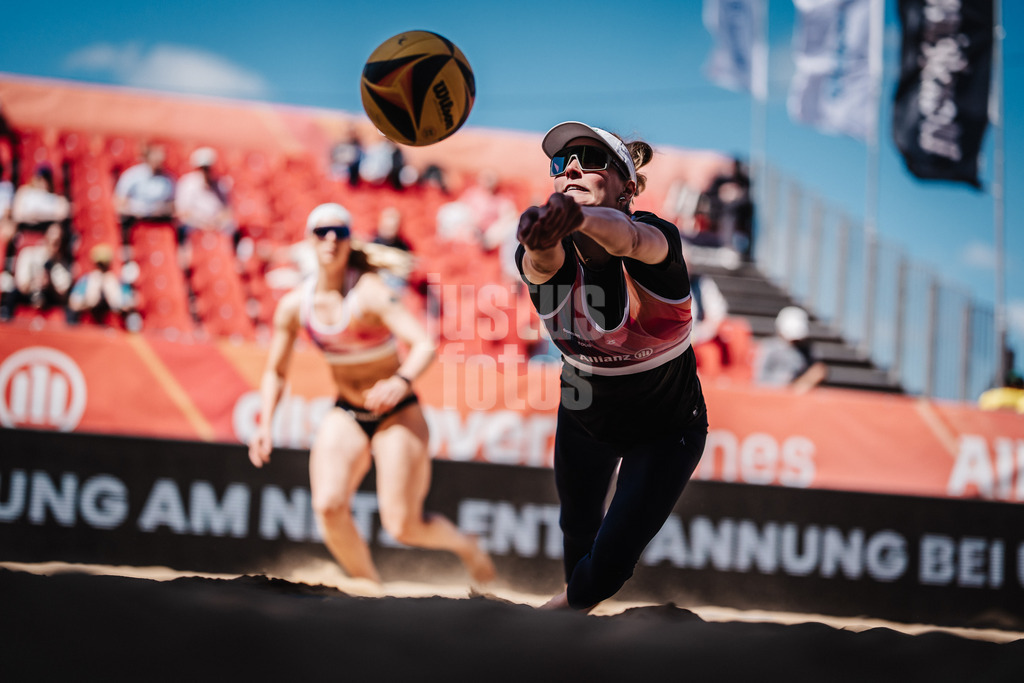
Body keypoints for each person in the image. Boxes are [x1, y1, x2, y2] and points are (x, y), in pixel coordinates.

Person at [515, 121, 709, 611]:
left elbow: (624, 239)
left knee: (605, 570)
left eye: (591, 158)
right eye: (562, 162)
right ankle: (569, 634)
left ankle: (551, 618)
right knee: (576, 529)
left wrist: (577, 221)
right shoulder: (542, 246)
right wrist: (542, 239)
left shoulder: (657, 238)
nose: (572, 167)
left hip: (667, 429)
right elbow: (541, 262)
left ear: (628, 188)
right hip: (584, 415)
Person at [248, 203, 495, 586]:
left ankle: (469, 548)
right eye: (322, 232)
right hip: (347, 409)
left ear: (349, 242)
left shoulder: (370, 293)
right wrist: (266, 423)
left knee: (404, 526)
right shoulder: (295, 305)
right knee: (328, 506)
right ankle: (368, 588)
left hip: (397, 413)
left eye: (339, 232)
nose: (330, 239)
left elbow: (424, 345)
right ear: (309, 241)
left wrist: (400, 380)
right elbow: (276, 371)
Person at [113, 143, 175, 256]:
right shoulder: (133, 176)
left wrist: (161, 210)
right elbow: (119, 202)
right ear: (147, 158)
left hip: (159, 221)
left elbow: (173, 206)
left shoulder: (168, 179)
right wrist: (138, 209)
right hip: (135, 221)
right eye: (155, 157)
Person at [753, 305, 827, 393]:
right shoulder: (769, 347)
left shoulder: (808, 350)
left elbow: (818, 371)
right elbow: (759, 379)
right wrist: (789, 386)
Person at [174, 146, 237, 246]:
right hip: (194, 224)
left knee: (231, 227)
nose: (205, 171)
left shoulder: (221, 184)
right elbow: (182, 212)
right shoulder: (186, 183)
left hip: (215, 224)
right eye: (203, 168)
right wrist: (201, 223)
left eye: (208, 168)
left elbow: (226, 211)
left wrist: (215, 223)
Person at [68, 243, 138, 329]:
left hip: (112, 329)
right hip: (89, 328)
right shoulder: (86, 280)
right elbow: (73, 303)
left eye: (105, 266)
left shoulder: (118, 281)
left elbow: (129, 303)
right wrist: (90, 297)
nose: (102, 270)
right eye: (99, 265)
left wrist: (114, 296)